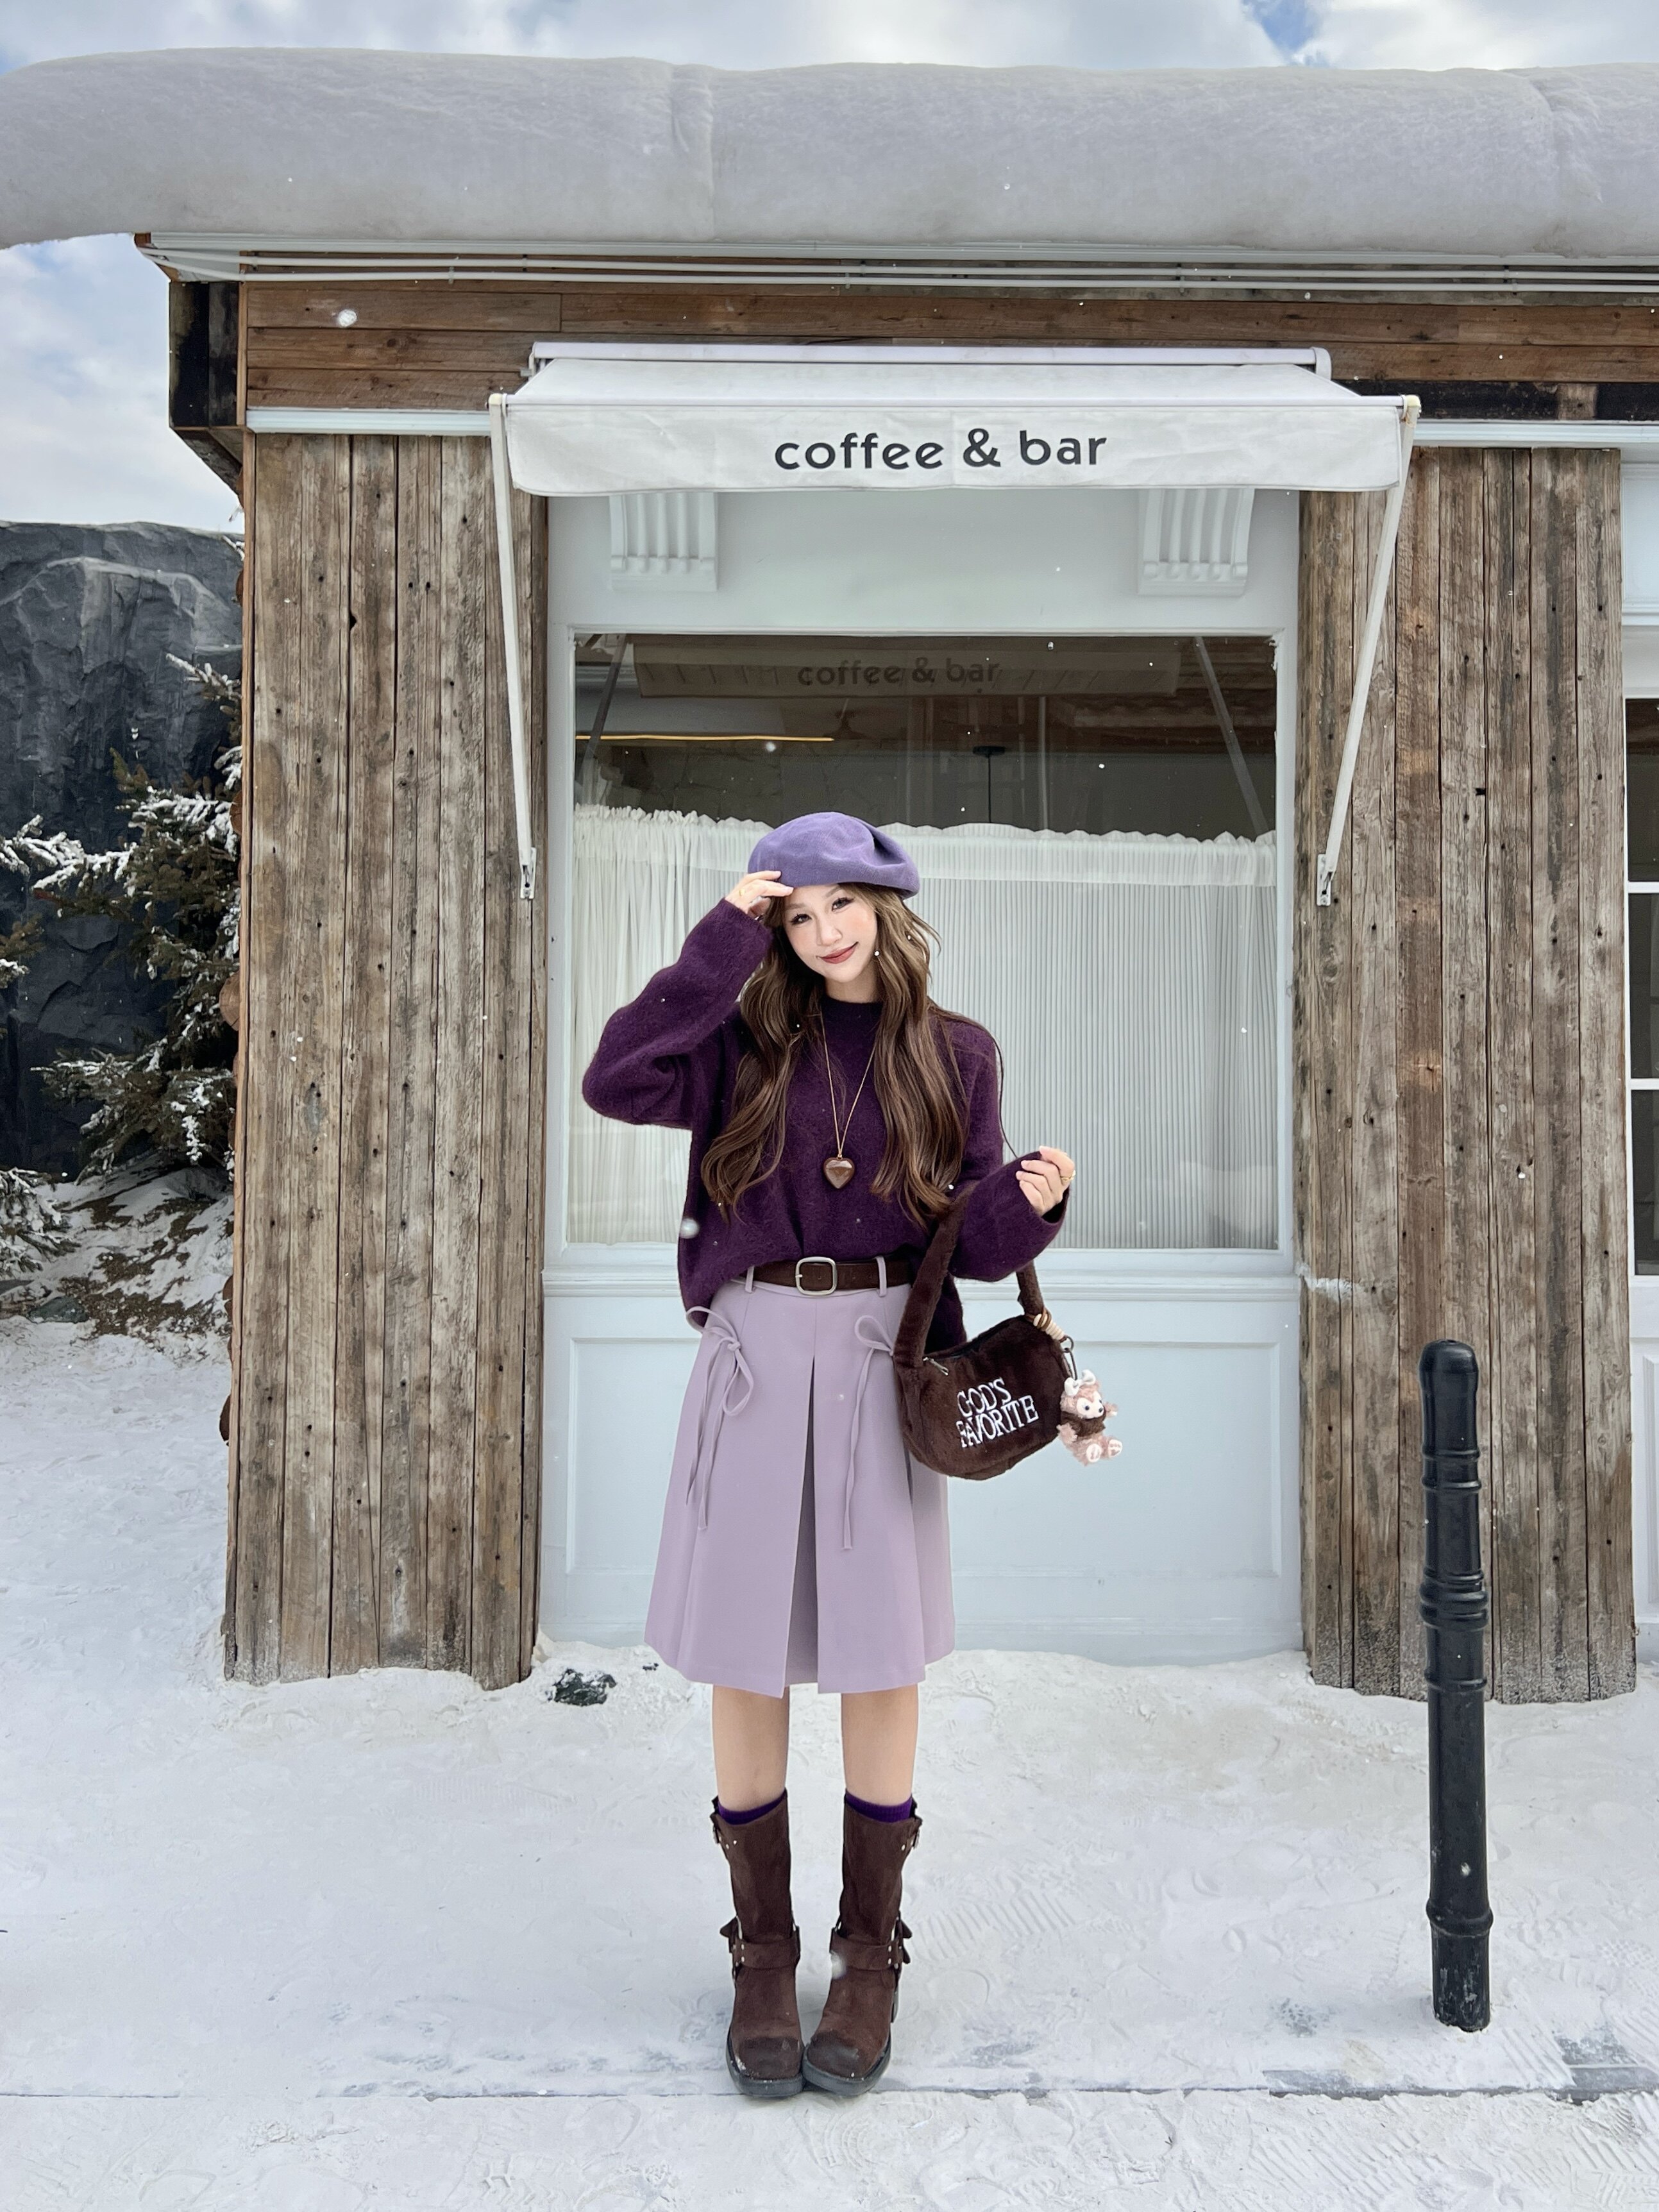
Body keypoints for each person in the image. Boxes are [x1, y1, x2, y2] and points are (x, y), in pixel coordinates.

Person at [582, 811, 1073, 2099]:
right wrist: (723, 936)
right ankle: (762, 1955)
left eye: (839, 904)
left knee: (877, 1652)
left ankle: (867, 1955)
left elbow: (967, 1245)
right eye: (797, 916)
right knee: (744, 1653)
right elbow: (614, 1077)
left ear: (884, 905)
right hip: (754, 1350)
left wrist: (1029, 1205)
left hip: (876, 1356)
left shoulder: (957, 1054)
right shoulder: (737, 1040)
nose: (824, 931)